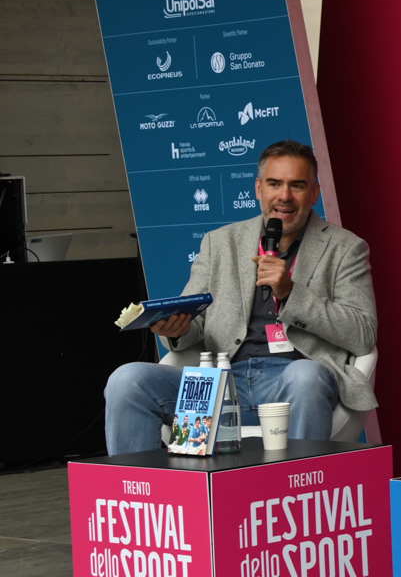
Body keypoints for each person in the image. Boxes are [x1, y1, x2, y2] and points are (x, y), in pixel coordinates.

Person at [103, 140, 376, 453]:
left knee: (306, 375)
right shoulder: (220, 242)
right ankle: (146, 494)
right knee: (127, 380)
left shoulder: (345, 248)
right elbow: (196, 323)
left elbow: (363, 334)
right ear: (259, 188)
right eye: (275, 183)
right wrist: (177, 330)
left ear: (314, 193)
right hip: (221, 381)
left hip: (292, 379)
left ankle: (295, 488)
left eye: (297, 185)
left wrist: (290, 293)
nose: (284, 196)